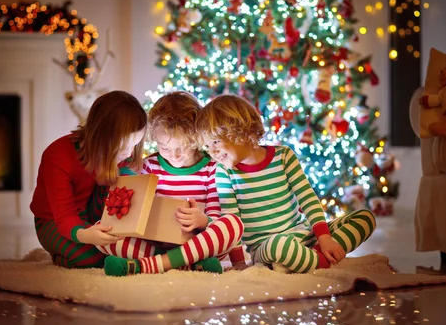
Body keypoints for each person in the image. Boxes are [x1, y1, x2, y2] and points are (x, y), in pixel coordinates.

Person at [195, 94, 376, 273]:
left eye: (216, 142)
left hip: (306, 235)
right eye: (207, 147)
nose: (213, 152)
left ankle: (309, 257)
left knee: (364, 218)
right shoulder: (224, 172)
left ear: (243, 132)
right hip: (268, 247)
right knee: (280, 246)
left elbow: (308, 199)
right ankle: (321, 262)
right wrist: (239, 262)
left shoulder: (284, 156)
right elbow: (231, 221)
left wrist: (324, 238)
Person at [102, 91, 245, 276]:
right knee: (104, 231)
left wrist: (202, 221)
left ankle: (147, 265)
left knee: (232, 224)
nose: (174, 155)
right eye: (164, 148)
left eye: (182, 148)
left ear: (196, 140)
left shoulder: (212, 168)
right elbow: (132, 212)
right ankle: (182, 264)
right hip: (156, 244)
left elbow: (215, 218)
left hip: (198, 246)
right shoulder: (148, 166)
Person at [30, 90, 146, 269]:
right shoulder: (58, 156)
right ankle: (61, 257)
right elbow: (65, 217)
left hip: (92, 215)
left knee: (126, 250)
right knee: (93, 259)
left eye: (134, 144)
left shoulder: (123, 158)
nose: (129, 153)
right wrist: (87, 236)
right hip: (53, 221)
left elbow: (126, 201)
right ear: (102, 137)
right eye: (123, 146)